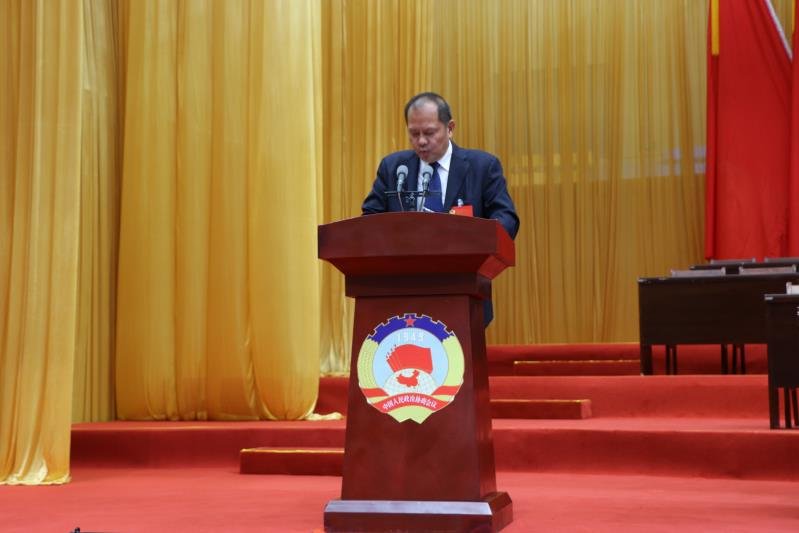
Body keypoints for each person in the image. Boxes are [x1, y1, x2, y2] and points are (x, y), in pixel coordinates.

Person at [362, 92, 520, 324]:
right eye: (414, 133)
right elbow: (369, 219)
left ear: (450, 128)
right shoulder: (394, 168)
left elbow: (506, 218)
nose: (421, 141)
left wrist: (478, 244)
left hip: (465, 292)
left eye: (429, 133)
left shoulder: (482, 167)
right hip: (401, 296)